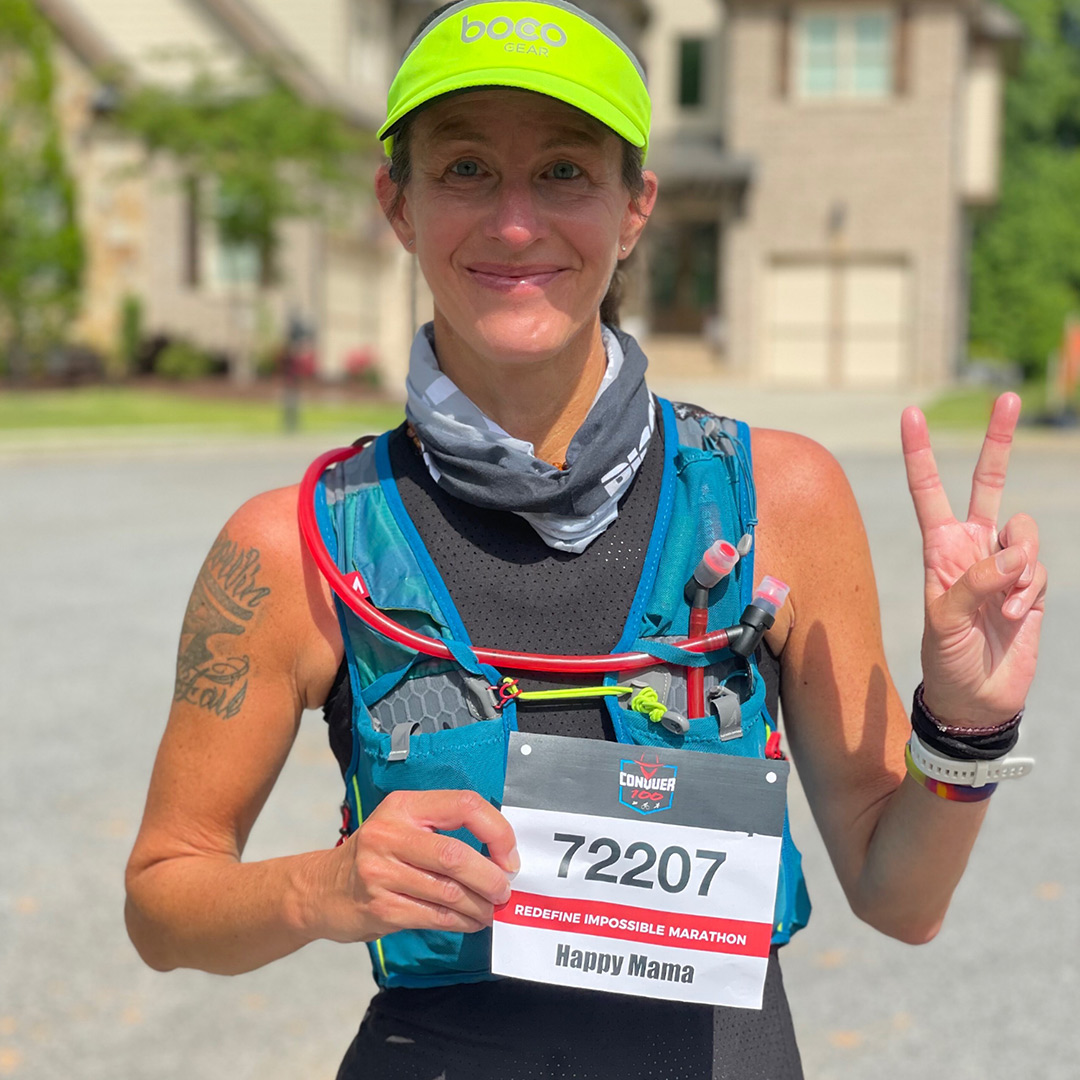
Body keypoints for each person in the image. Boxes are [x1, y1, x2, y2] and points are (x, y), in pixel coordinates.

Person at [124, 3, 1047, 1077]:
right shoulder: (302, 547)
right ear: (397, 203)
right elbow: (162, 898)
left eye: (565, 172)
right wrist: (317, 891)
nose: (517, 224)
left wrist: (969, 724)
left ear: (636, 205)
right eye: (466, 168)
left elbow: (903, 901)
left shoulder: (774, 499)